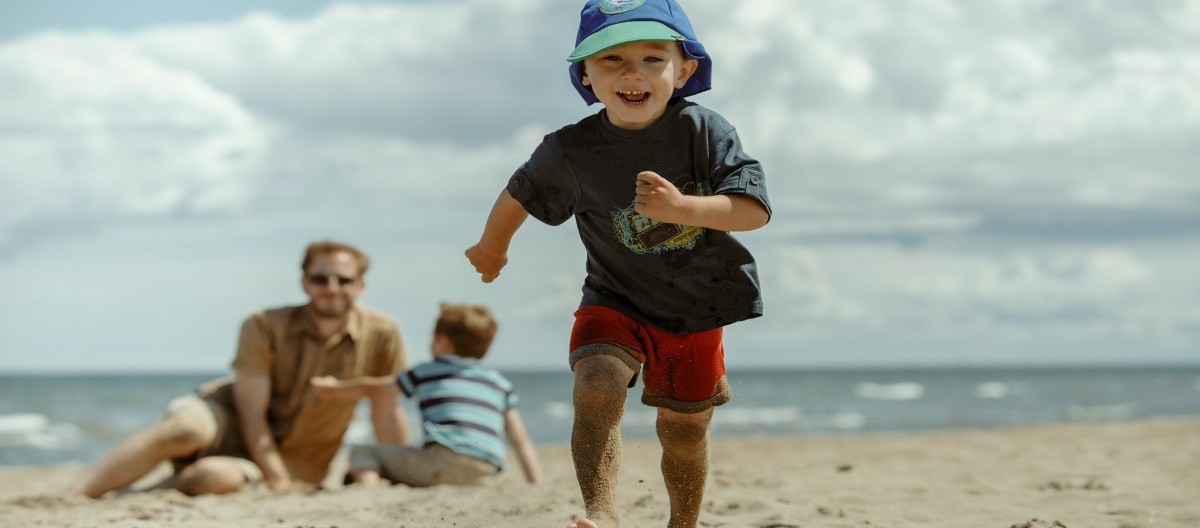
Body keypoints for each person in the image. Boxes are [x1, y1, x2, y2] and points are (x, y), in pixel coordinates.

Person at [464, 1, 771, 526]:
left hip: (696, 308)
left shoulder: (704, 130)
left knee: (684, 430)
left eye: (654, 57)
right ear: (585, 74)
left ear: (685, 70)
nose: (633, 72)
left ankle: (682, 523)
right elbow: (520, 193)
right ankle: (601, 513)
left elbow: (753, 211)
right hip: (614, 299)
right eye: (612, 60)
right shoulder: (570, 149)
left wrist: (683, 209)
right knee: (597, 383)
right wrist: (493, 246)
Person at [67, 241, 411, 498]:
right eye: (320, 278)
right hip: (229, 416)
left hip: (298, 457)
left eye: (343, 279)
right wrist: (275, 477)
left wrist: (400, 472)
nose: (332, 288)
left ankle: (142, 494)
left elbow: (386, 410)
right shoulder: (263, 324)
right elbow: (250, 413)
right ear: (304, 282)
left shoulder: (383, 333)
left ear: (361, 285)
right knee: (184, 430)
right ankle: (74, 495)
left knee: (216, 477)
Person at [309, 303, 541, 488]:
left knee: (363, 452)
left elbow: (374, 388)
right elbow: (521, 441)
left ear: (442, 342)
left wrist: (333, 388)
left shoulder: (427, 371)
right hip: (486, 469)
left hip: (441, 462)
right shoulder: (500, 383)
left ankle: (369, 493)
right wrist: (535, 485)